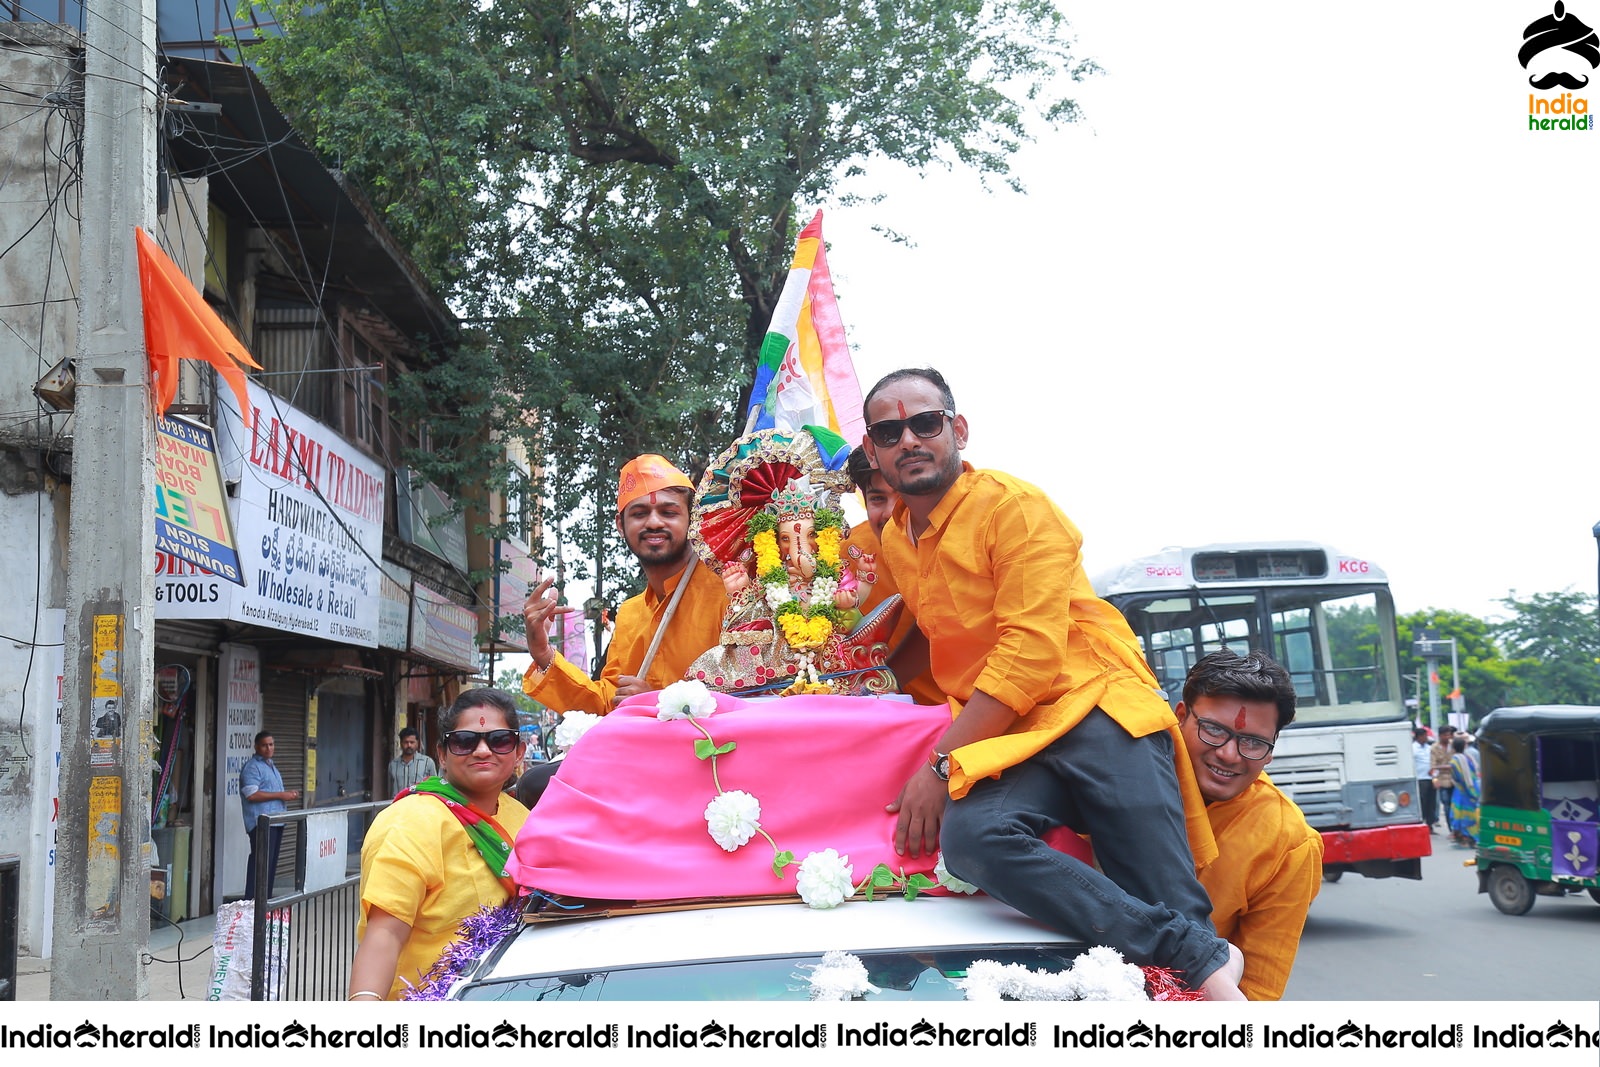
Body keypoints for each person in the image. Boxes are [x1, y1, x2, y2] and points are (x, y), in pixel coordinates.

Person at [862, 367, 1243, 999]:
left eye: (924, 423)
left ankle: (1196, 959)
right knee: (975, 840)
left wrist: (938, 765)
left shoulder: (1013, 506)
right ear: (873, 451)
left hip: (1096, 708)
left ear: (956, 430)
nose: (909, 440)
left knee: (1165, 897)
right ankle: (1195, 952)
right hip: (1015, 733)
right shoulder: (898, 541)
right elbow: (923, 648)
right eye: (889, 431)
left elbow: (1030, 655)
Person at [517, 454, 725, 804]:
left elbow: (752, 696)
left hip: (712, 766)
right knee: (538, 786)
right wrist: (543, 654)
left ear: (692, 520)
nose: (654, 522)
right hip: (640, 769)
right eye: (640, 513)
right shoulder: (630, 614)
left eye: (669, 512)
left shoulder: (727, 591)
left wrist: (662, 703)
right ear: (621, 524)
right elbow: (606, 703)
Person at [349, 688, 530, 1001]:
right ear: (443, 755)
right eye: (465, 741)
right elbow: (386, 933)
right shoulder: (410, 822)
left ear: (518, 752)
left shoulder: (522, 817)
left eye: (499, 740)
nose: (483, 751)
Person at [1176, 650, 1322, 1000]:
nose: (1229, 754)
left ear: (1271, 751)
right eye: (1213, 730)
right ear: (1180, 716)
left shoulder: (1289, 843)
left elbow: (1256, 991)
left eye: (1253, 742)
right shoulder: (1121, 773)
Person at [843, 445, 944, 706]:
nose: (891, 512)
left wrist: (887, 682)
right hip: (879, 715)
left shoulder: (957, 541)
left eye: (903, 496)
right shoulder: (845, 554)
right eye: (877, 499)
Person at [240, 731, 299, 900]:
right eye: (265, 745)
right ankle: (253, 904)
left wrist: (287, 794)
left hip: (276, 822)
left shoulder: (270, 766)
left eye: (271, 744)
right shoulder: (252, 767)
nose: (268, 748)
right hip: (262, 824)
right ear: (256, 746)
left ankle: (265, 903)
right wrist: (281, 795)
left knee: (270, 867)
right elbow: (251, 795)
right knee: (260, 865)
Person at [1448, 735, 1480, 847]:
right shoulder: (1469, 758)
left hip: (1461, 791)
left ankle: (1464, 838)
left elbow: (1458, 777)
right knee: (1470, 815)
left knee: (1459, 815)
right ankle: (1472, 838)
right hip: (1472, 789)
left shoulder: (1455, 760)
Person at [387, 726, 438, 796]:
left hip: (419, 805)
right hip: (399, 805)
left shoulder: (428, 763)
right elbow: (390, 790)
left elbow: (435, 788)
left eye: (412, 742)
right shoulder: (393, 765)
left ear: (417, 743)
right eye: (406, 742)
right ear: (401, 743)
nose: (409, 745)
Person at [1430, 724, 1457, 827]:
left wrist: (1442, 766)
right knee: (1446, 805)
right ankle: (1451, 828)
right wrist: (1435, 780)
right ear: (1440, 735)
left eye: (1449, 735)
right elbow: (1433, 766)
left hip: (1455, 779)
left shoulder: (1453, 745)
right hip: (1442, 781)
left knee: (1455, 805)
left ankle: (1456, 828)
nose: (1447, 737)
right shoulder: (1434, 748)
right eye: (1445, 735)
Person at [1413, 726, 1437, 831]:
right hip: (1420, 778)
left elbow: (1434, 761)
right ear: (1418, 737)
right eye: (1424, 736)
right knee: (1423, 801)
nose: (1426, 738)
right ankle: (1421, 821)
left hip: (1431, 777)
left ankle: (1430, 823)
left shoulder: (1429, 748)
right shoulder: (1413, 748)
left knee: (1432, 802)